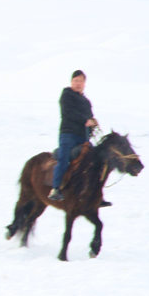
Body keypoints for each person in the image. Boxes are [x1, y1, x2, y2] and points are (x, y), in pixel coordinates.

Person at [48, 70, 99, 202]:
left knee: (93, 161)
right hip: (68, 134)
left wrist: (93, 123)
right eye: (75, 81)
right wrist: (85, 120)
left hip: (83, 137)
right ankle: (55, 188)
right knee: (64, 160)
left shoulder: (86, 102)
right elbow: (68, 113)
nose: (78, 84)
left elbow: (90, 117)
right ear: (71, 82)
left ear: (84, 84)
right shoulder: (66, 95)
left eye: (80, 81)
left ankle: (95, 193)